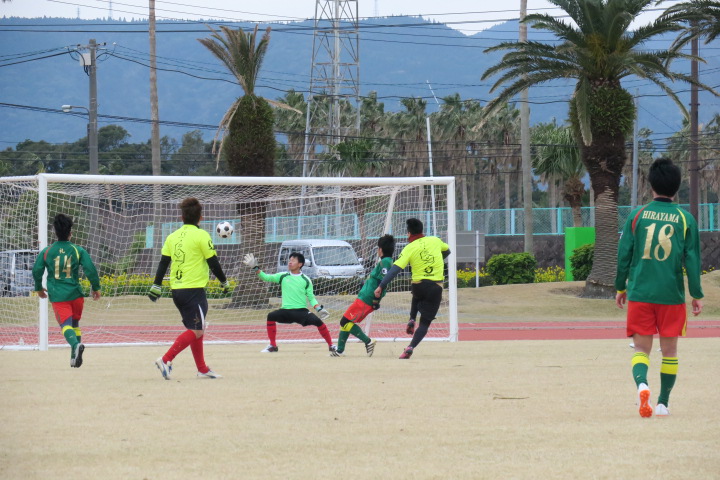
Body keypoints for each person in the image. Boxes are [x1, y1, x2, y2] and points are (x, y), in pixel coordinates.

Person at [615, 157, 704, 417]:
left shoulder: (637, 216)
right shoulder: (685, 219)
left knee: (641, 350)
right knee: (670, 352)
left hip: (641, 293)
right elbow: (692, 259)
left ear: (650, 185)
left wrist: (620, 287)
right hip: (671, 295)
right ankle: (663, 404)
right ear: (677, 186)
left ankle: (643, 385)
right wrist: (696, 294)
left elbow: (624, 255)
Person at [149, 197, 229, 380]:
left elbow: (163, 262)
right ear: (200, 218)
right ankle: (165, 359)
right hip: (193, 290)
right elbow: (213, 262)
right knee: (197, 330)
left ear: (182, 217)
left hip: (176, 291)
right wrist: (224, 282)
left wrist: (156, 284)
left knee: (197, 329)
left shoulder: (172, 236)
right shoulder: (202, 235)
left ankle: (202, 369)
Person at [32, 213, 101, 368]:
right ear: (71, 232)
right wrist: (96, 287)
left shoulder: (47, 251)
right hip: (76, 295)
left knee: (65, 325)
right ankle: (74, 359)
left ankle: (76, 345)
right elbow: (90, 269)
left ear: (55, 232)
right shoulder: (78, 250)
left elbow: (36, 270)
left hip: (59, 296)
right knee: (75, 324)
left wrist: (38, 288)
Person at [374, 218, 450, 359]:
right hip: (435, 287)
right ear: (422, 230)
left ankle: (412, 318)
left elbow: (395, 269)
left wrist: (381, 286)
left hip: (418, 285)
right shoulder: (435, 240)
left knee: (416, 294)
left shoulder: (409, 248)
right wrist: (437, 259)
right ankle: (410, 347)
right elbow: (447, 250)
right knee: (425, 323)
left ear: (409, 233)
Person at [243, 251, 335, 354]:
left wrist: (318, 308)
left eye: (293, 260)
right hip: (285, 311)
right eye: (289, 260)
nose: (290, 262)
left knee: (318, 321)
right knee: (271, 316)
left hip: (301, 312)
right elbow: (265, 277)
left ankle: (331, 345)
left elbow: (311, 298)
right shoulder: (283, 276)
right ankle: (273, 346)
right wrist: (255, 268)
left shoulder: (306, 280)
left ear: (300, 264)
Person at [330, 234, 395, 357]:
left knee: (345, 321)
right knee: (346, 320)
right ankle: (340, 351)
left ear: (380, 249)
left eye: (378, 248)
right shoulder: (386, 261)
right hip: (365, 297)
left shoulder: (386, 262)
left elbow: (383, 281)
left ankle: (368, 341)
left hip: (367, 298)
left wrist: (376, 300)